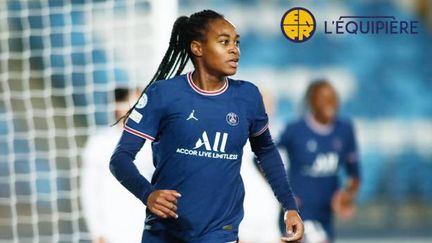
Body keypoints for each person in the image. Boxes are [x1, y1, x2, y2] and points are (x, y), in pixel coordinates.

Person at [109, 9, 304, 243]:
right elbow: (120, 158)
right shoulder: (163, 94)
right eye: (224, 42)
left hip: (220, 233)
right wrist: (147, 195)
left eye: (236, 42)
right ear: (197, 48)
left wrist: (289, 206)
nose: (234, 49)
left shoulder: (248, 96)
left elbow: (266, 152)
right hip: (164, 233)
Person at [277, 80, 361, 243]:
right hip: (299, 212)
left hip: (326, 213)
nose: (330, 102)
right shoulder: (294, 130)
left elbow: (354, 175)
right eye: (323, 97)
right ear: (311, 101)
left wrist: (347, 195)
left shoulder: (345, 130)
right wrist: (283, 195)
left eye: (333, 97)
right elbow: (262, 160)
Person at [81, 88, 154, 243]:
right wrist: (97, 231)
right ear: (117, 106)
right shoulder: (100, 142)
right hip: (112, 230)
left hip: (145, 228)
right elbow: (89, 189)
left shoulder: (152, 142)